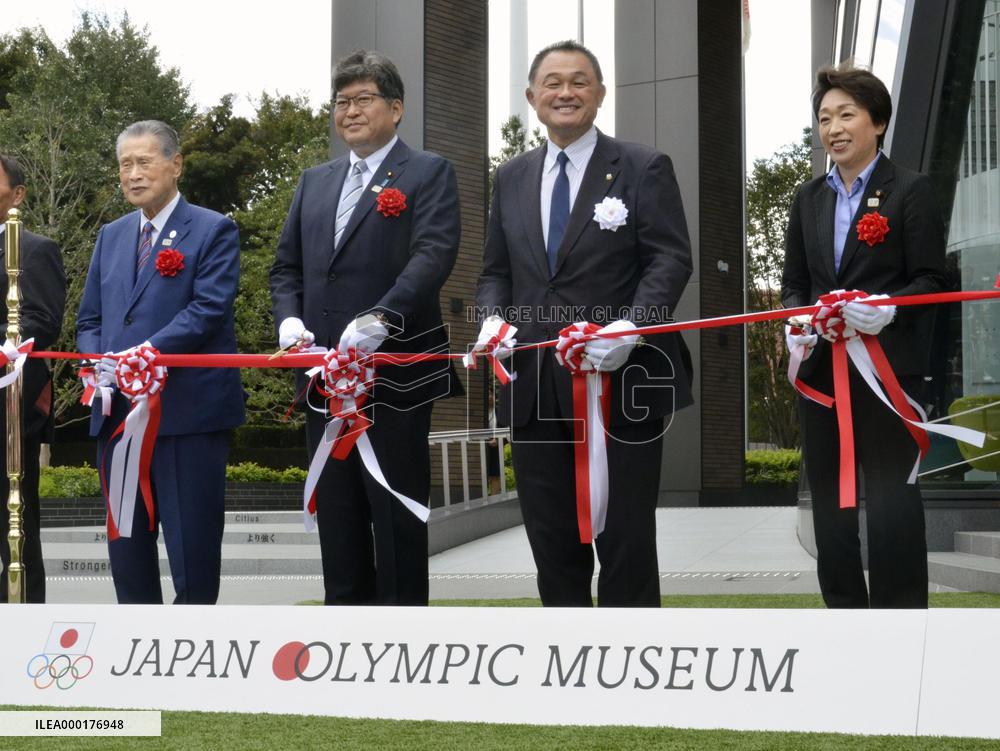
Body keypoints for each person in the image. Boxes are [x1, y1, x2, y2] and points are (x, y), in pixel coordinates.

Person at [475, 40, 694, 607]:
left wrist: (631, 326)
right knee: (550, 535)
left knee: (624, 535)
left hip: (623, 382)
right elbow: (496, 270)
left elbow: (670, 259)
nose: (564, 92)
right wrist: (492, 321)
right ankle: (567, 662)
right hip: (533, 384)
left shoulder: (643, 166)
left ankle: (632, 665)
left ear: (599, 93)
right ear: (532, 97)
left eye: (578, 81)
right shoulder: (511, 177)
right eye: (552, 82)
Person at [270, 50, 461, 606]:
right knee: (339, 515)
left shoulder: (428, 172)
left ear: (395, 109)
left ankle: (403, 644)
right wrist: (289, 319)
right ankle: (344, 638)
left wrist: (383, 317)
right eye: (341, 102)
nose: (350, 111)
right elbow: (286, 267)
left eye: (363, 100)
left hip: (394, 375)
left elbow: (432, 254)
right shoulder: (315, 181)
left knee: (394, 513)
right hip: (323, 378)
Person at [780, 65, 948, 609]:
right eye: (824, 118)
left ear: (877, 121)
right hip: (824, 376)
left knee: (893, 499)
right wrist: (799, 320)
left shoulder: (912, 190)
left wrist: (888, 309)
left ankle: (903, 625)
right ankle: (844, 619)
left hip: (887, 373)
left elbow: (932, 280)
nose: (833, 128)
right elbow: (795, 286)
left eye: (846, 114)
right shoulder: (807, 200)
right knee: (831, 504)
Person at [77, 120, 245, 604]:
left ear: (175, 165)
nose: (133, 174)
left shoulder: (214, 229)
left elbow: (209, 309)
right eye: (125, 164)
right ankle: (136, 651)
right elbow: (90, 318)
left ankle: (191, 657)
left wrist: (142, 356)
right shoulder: (111, 235)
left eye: (144, 161)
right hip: (117, 416)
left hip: (187, 416)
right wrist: (100, 364)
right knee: (126, 551)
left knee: (191, 553)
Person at [0, 154, 66, 603]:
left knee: (15, 531)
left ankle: (22, 621)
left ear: (18, 194)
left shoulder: (35, 249)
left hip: (9, 415)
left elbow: (41, 322)